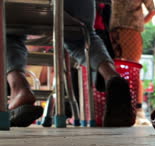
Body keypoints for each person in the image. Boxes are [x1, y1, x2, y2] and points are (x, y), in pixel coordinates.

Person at [6, 0, 135, 127]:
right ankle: (111, 76)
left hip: (20, 5)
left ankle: (19, 88)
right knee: (83, 37)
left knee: (6, 32)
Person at [110, 0, 155, 126]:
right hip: (113, 30)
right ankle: (119, 109)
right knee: (115, 70)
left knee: (132, 70)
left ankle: (138, 111)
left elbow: (152, 11)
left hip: (131, 31)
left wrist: (138, 24)